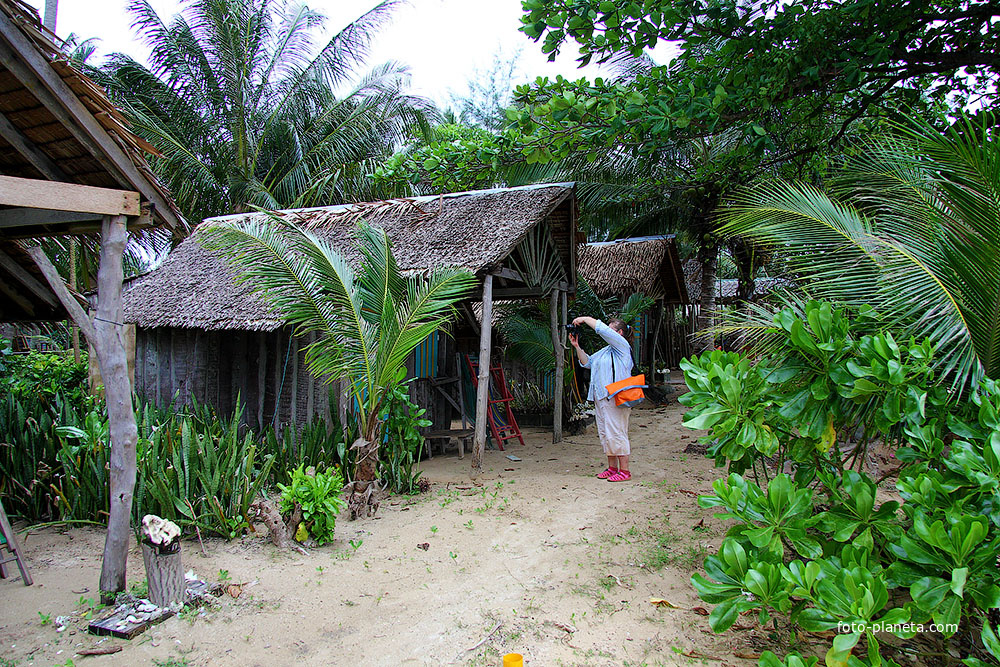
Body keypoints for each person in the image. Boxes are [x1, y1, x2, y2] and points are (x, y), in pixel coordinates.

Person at [568, 315, 635, 482]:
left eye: (610, 330)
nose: (607, 333)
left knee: (617, 432)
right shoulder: (605, 351)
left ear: (619, 333)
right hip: (601, 398)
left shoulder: (623, 347)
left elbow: (601, 329)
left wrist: (585, 319)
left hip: (616, 397)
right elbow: (588, 362)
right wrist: (577, 347)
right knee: (605, 433)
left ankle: (625, 471)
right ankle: (612, 468)